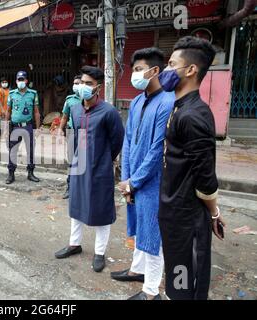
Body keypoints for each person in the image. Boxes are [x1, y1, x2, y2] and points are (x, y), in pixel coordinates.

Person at [158, 36, 226, 300]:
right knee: (177, 274)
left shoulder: (193, 115)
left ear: (191, 70)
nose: (165, 70)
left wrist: (213, 213)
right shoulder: (179, 108)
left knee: (185, 281)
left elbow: (205, 176)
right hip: (174, 213)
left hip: (187, 218)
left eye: (171, 64)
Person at [110, 48, 175, 300]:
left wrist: (133, 183)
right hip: (133, 181)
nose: (134, 75)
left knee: (151, 234)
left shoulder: (167, 102)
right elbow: (128, 142)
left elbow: (157, 151)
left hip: (151, 182)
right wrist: (125, 179)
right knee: (137, 228)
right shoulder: (136, 102)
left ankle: (151, 291)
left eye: (139, 69)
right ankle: (138, 270)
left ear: (155, 70)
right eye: (134, 69)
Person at [54, 66, 124, 272]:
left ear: (98, 88)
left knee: (102, 209)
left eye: (89, 84)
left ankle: (99, 252)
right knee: (76, 206)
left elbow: (117, 141)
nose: (84, 87)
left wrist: (104, 160)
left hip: (100, 169)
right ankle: (74, 244)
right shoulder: (75, 110)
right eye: (82, 83)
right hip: (79, 165)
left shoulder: (109, 112)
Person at [5, 70, 41, 184]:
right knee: (13, 150)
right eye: (18, 80)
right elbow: (8, 111)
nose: (20, 82)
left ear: (26, 81)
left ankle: (30, 173)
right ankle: (11, 174)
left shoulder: (33, 94)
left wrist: (37, 128)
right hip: (15, 127)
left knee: (30, 150)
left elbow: (36, 112)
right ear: (16, 81)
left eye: (22, 79)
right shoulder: (11, 94)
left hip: (28, 126)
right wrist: (6, 128)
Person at [56, 75, 82, 199]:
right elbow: (65, 116)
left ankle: (82, 189)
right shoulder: (70, 99)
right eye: (74, 83)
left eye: (78, 83)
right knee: (72, 161)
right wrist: (60, 129)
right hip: (72, 133)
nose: (76, 85)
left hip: (85, 133)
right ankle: (69, 187)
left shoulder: (90, 99)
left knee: (84, 161)